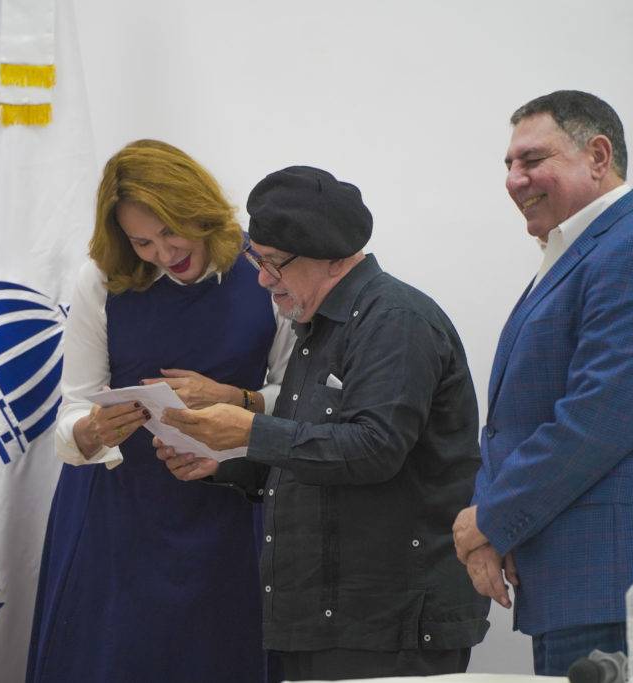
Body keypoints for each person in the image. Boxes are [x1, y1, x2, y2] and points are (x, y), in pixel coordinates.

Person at [156, 165, 490, 680]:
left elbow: (374, 449)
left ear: (332, 258)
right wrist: (222, 463)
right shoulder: (315, 329)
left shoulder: (394, 321)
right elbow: (307, 456)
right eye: (255, 260)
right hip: (326, 622)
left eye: (272, 264)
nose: (263, 279)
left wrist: (248, 431)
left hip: (388, 627)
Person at [451, 90, 633, 679]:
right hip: (585, 582)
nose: (513, 179)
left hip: (623, 581)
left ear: (598, 155)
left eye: (531, 159)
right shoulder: (583, 254)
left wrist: (490, 519)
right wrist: (488, 518)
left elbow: (594, 421)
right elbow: (515, 419)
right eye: (507, 165)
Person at [26, 139, 295, 683]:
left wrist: (234, 398)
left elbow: (295, 392)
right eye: (142, 241)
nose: (163, 252)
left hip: (229, 509)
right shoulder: (101, 280)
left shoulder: (263, 268)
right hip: (118, 514)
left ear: (200, 208)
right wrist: (90, 429)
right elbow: (73, 404)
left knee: (220, 656)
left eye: (171, 231)